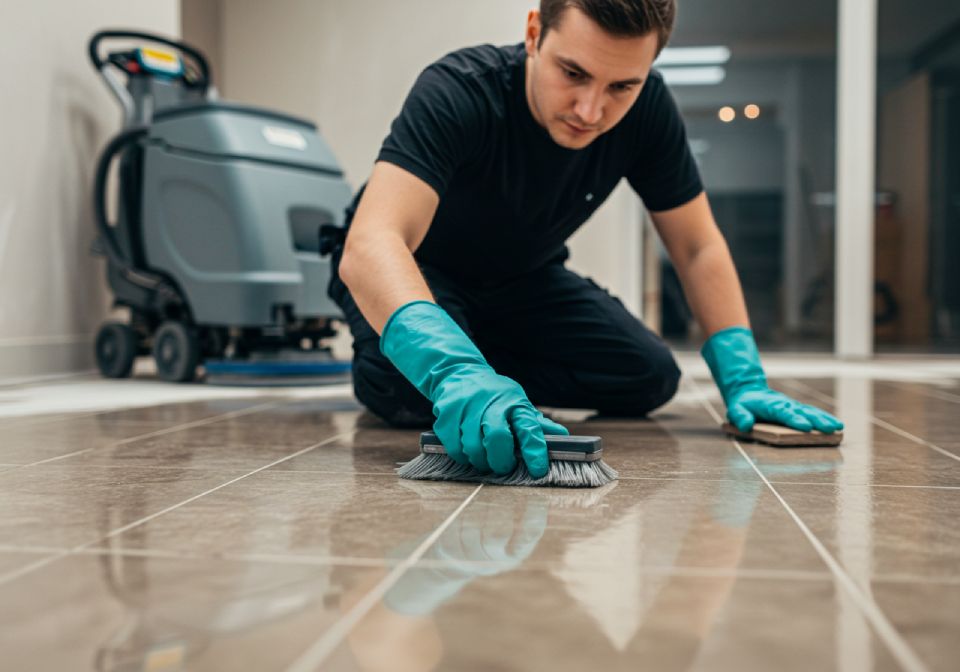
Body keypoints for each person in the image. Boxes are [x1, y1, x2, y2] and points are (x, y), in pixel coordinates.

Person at [327, 0, 843, 480]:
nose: (591, 111)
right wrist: (454, 370)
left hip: (523, 278)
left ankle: (482, 365)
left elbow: (696, 247)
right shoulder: (460, 89)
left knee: (648, 376)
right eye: (573, 73)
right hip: (420, 270)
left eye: (622, 86)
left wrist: (743, 378)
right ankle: (463, 361)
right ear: (535, 34)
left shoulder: (649, 111)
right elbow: (372, 243)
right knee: (406, 390)